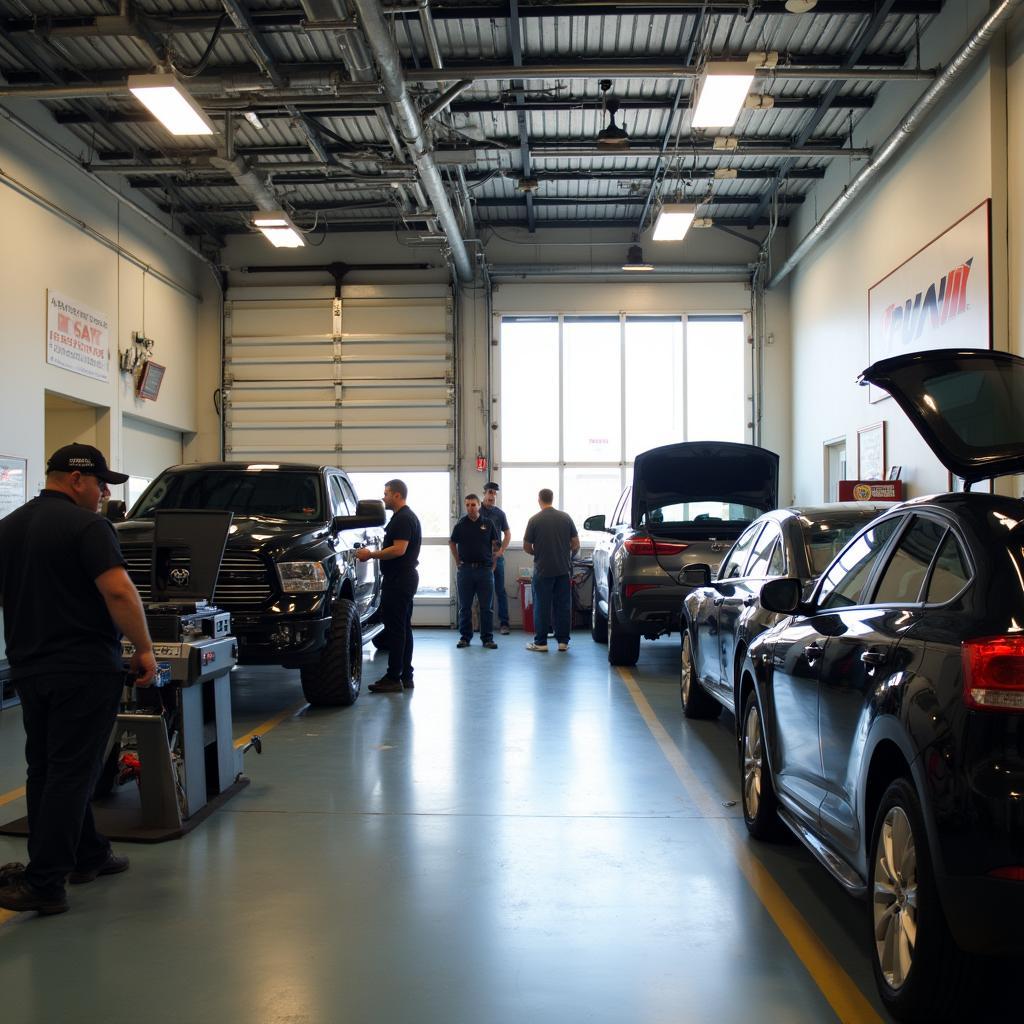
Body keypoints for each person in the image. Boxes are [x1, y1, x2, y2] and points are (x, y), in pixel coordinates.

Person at [0, 443, 157, 916]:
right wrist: (145, 649)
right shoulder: (89, 526)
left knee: (46, 767)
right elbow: (119, 591)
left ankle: (88, 854)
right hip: (84, 669)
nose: (105, 492)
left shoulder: (7, 527)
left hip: (29, 667)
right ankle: (46, 883)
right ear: (74, 479)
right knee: (72, 773)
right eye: (100, 482)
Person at [356, 479, 421, 693]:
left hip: (399, 579)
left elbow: (399, 549)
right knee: (403, 628)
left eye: (386, 493)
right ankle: (406, 675)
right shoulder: (404, 517)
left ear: (397, 495)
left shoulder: (403, 519)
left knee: (395, 630)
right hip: (403, 578)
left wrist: (370, 554)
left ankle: (394, 677)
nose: (383, 497)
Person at [523, 489, 580, 653]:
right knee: (563, 606)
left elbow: (526, 547)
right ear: (552, 499)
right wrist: (567, 554)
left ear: (539, 499)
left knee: (541, 606)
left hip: (542, 570)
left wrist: (538, 553)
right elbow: (576, 543)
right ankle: (563, 642)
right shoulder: (565, 517)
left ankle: (541, 643)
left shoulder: (534, 520)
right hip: (563, 570)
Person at [449, 494, 500, 649]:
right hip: (466, 571)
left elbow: (496, 545)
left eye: (473, 504)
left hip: (484, 570)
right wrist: (458, 561)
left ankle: (487, 639)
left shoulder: (488, 523)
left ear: (479, 505)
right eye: (468, 505)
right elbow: (452, 543)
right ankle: (465, 637)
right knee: (465, 607)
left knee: (486, 607)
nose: (470, 508)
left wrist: (494, 563)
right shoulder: (461, 524)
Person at [480, 481, 512, 635]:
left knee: (500, 590)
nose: (492, 496)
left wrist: (501, 550)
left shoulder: (500, 514)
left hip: (496, 558)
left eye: (495, 494)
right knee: (483, 591)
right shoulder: (475, 511)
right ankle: (483, 625)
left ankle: (504, 623)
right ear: (484, 493)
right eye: (490, 492)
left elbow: (507, 534)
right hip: (481, 559)